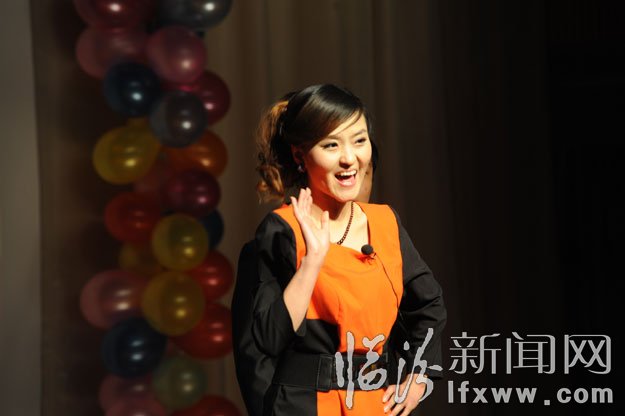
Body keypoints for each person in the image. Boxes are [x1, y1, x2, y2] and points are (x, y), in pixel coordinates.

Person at [232, 84, 446, 416]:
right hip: (306, 406)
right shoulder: (282, 230)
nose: (349, 158)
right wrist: (312, 262)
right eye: (331, 145)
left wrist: (419, 375)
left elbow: (428, 305)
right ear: (300, 156)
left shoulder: (385, 223)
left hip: (378, 404)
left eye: (359, 140)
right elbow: (266, 342)